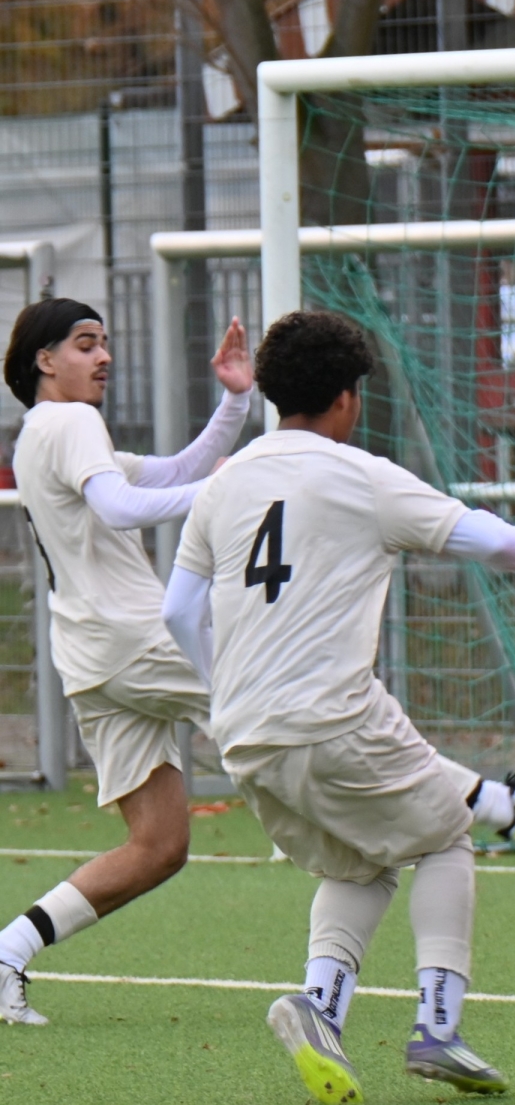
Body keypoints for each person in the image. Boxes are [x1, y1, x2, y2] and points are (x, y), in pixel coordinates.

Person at [162, 310, 515, 1099]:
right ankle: (438, 1029)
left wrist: (231, 692)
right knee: (446, 838)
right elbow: (483, 536)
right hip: (332, 717)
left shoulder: (224, 483)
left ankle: (321, 1010)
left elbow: (179, 612)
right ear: (348, 397)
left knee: (364, 861)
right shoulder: (362, 476)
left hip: (243, 734)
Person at [0, 300, 253, 1026]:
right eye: (86, 344)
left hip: (91, 659)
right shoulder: (71, 422)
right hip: (133, 640)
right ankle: (468, 808)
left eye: (106, 343)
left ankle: (7, 951)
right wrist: (228, 488)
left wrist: (236, 402)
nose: (104, 355)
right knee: (274, 707)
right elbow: (120, 507)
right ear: (45, 360)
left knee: (159, 845)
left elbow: (168, 472)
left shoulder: (41, 431)